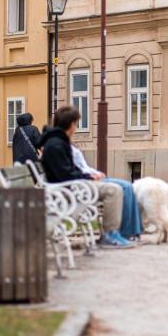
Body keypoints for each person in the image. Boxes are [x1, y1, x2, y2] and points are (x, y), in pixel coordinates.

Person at [41, 106, 134, 249]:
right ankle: (109, 235)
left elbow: (67, 171)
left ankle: (113, 233)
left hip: (70, 186)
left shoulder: (57, 141)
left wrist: (87, 176)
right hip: (69, 190)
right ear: (71, 124)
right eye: (76, 123)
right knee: (113, 190)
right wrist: (89, 177)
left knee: (115, 188)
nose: (76, 127)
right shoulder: (56, 144)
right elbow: (66, 175)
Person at [70, 144, 143, 241]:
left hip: (90, 177)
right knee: (123, 187)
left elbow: (83, 167)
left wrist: (96, 173)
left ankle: (133, 230)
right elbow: (74, 171)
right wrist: (91, 176)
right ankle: (125, 232)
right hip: (86, 181)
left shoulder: (68, 146)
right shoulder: (61, 146)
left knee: (128, 186)